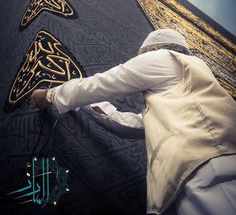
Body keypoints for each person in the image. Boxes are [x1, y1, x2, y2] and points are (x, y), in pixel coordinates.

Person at [31, 29, 236, 215]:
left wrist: (51, 95)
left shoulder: (163, 57)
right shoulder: (189, 87)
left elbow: (105, 82)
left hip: (207, 168)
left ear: (153, 49)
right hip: (206, 163)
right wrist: (85, 103)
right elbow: (130, 125)